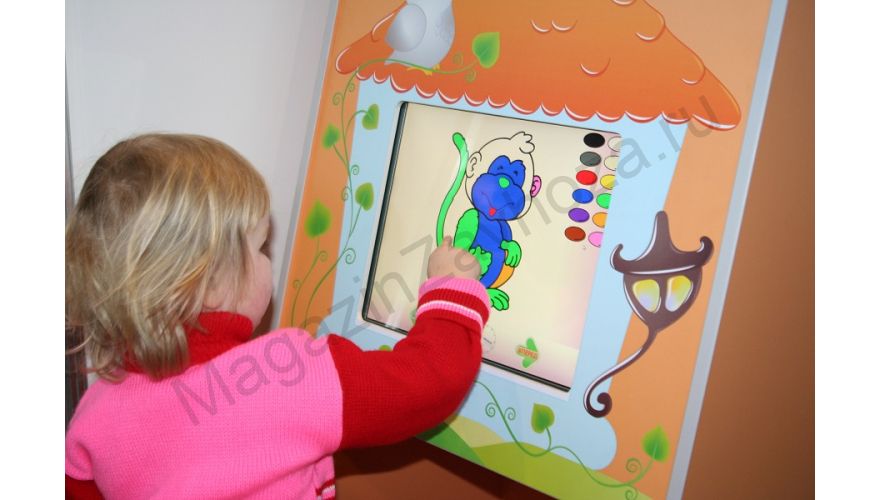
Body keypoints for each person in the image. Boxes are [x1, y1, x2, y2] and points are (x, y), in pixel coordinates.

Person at [65, 133, 488, 499]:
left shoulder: (97, 411)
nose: (270, 260)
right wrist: (450, 288)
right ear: (209, 283)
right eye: (261, 247)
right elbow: (427, 381)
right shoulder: (285, 373)